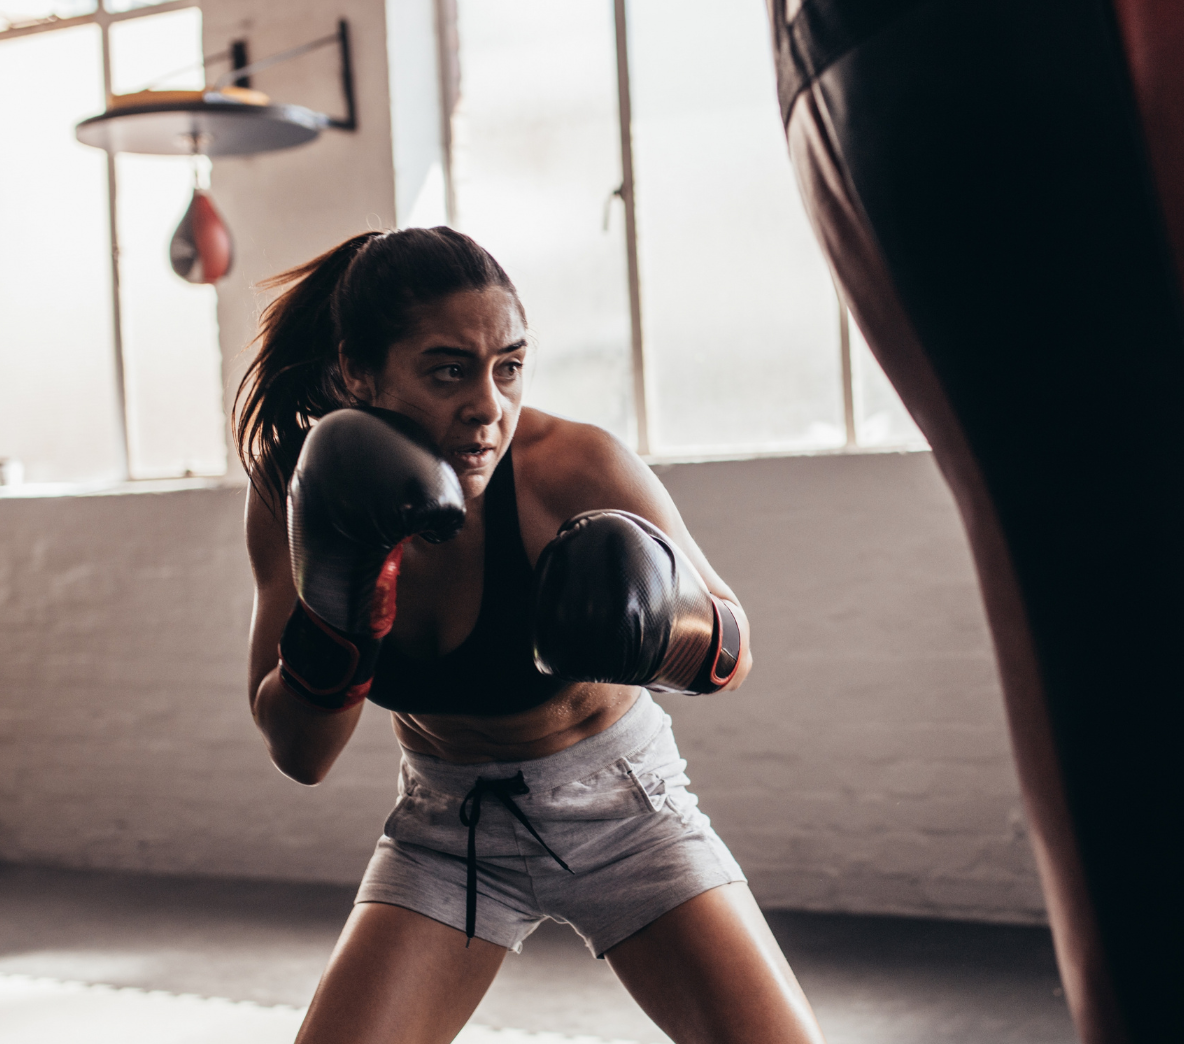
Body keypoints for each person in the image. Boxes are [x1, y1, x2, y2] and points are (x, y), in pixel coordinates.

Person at [236, 226, 825, 1044]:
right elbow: (301, 754)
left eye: (508, 366)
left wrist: (662, 623)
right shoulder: (299, 494)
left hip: (627, 813)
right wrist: (342, 604)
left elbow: (733, 649)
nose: (488, 406)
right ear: (356, 370)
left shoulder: (571, 466)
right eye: (449, 370)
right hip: (449, 828)